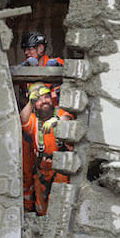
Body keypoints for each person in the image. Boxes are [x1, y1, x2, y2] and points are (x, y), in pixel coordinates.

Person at [19, 32, 64, 209]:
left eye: (30, 49)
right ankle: (28, 207)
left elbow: (66, 67)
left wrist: (52, 68)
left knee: (58, 170)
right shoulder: (26, 68)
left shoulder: (54, 63)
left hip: (54, 120)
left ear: (40, 48)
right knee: (27, 167)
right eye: (25, 50)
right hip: (33, 122)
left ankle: (54, 208)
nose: (27, 53)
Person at [21, 82, 72, 216]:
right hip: (41, 172)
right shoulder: (34, 120)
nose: (44, 101)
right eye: (39, 99)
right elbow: (23, 119)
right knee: (41, 210)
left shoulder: (59, 113)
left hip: (60, 170)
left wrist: (56, 120)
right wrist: (30, 103)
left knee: (59, 208)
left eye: (46, 97)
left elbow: (67, 118)